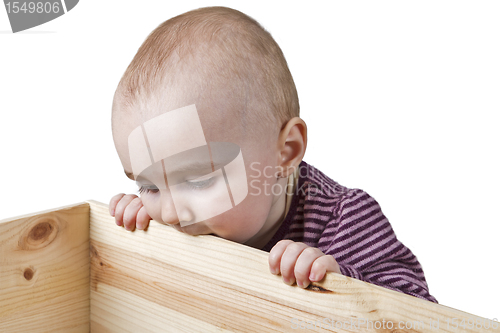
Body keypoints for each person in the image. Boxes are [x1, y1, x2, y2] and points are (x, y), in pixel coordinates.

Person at [109, 6, 437, 303]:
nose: (169, 214)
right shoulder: (175, 217)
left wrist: (343, 283)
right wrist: (138, 227)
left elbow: (420, 310)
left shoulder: (345, 220)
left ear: (285, 152)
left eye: (197, 180)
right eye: (150, 187)